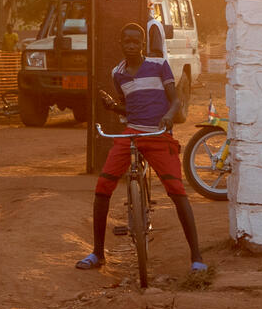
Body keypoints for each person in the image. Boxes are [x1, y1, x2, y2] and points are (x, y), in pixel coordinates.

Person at [76, 22, 206, 274]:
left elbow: (175, 99)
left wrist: (169, 115)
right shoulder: (118, 73)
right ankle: (97, 253)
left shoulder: (159, 65)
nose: (132, 45)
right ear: (121, 44)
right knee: (103, 187)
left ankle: (197, 256)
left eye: (137, 41)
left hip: (158, 134)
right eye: (127, 41)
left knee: (177, 191)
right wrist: (114, 107)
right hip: (131, 133)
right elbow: (130, 107)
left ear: (143, 43)